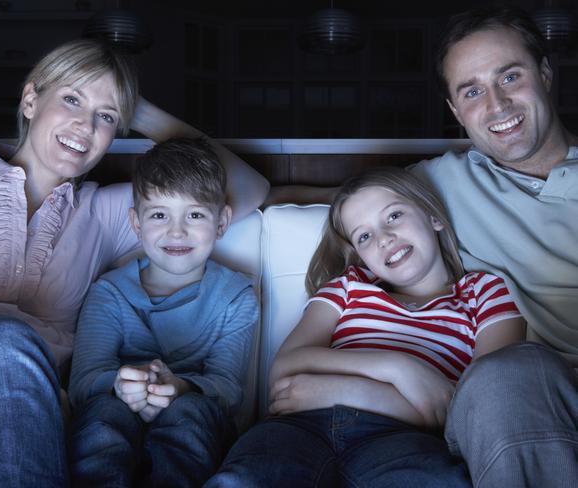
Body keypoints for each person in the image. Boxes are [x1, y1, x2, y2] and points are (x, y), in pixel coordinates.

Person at [0, 39, 268, 486]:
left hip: (23, 407)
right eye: (71, 98)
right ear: (31, 99)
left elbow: (243, 188)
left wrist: (135, 108)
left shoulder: (102, 214)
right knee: (2, 342)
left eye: (105, 117)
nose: (84, 125)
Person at [264, 6, 578, 486]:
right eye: (471, 90)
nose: (497, 105)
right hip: (515, 398)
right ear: (455, 110)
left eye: (509, 76)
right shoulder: (439, 184)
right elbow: (281, 198)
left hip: (494, 399)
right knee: (507, 375)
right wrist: (131, 110)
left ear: (545, 74)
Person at [207, 167, 525, 487]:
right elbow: (285, 367)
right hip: (301, 428)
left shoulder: (484, 292)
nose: (384, 238)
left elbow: (479, 410)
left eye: (394, 215)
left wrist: (344, 391)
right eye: (364, 236)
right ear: (359, 255)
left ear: (433, 216)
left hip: (406, 441)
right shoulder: (348, 287)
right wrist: (398, 368)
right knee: (242, 480)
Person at [68, 137, 259, 487]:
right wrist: (123, 385)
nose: (177, 230)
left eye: (196, 214)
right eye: (159, 214)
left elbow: (228, 389)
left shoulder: (236, 296)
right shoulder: (109, 292)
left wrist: (181, 387)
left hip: (195, 421)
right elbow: (83, 383)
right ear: (136, 223)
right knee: (102, 416)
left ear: (222, 222)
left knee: (188, 413)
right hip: (116, 407)